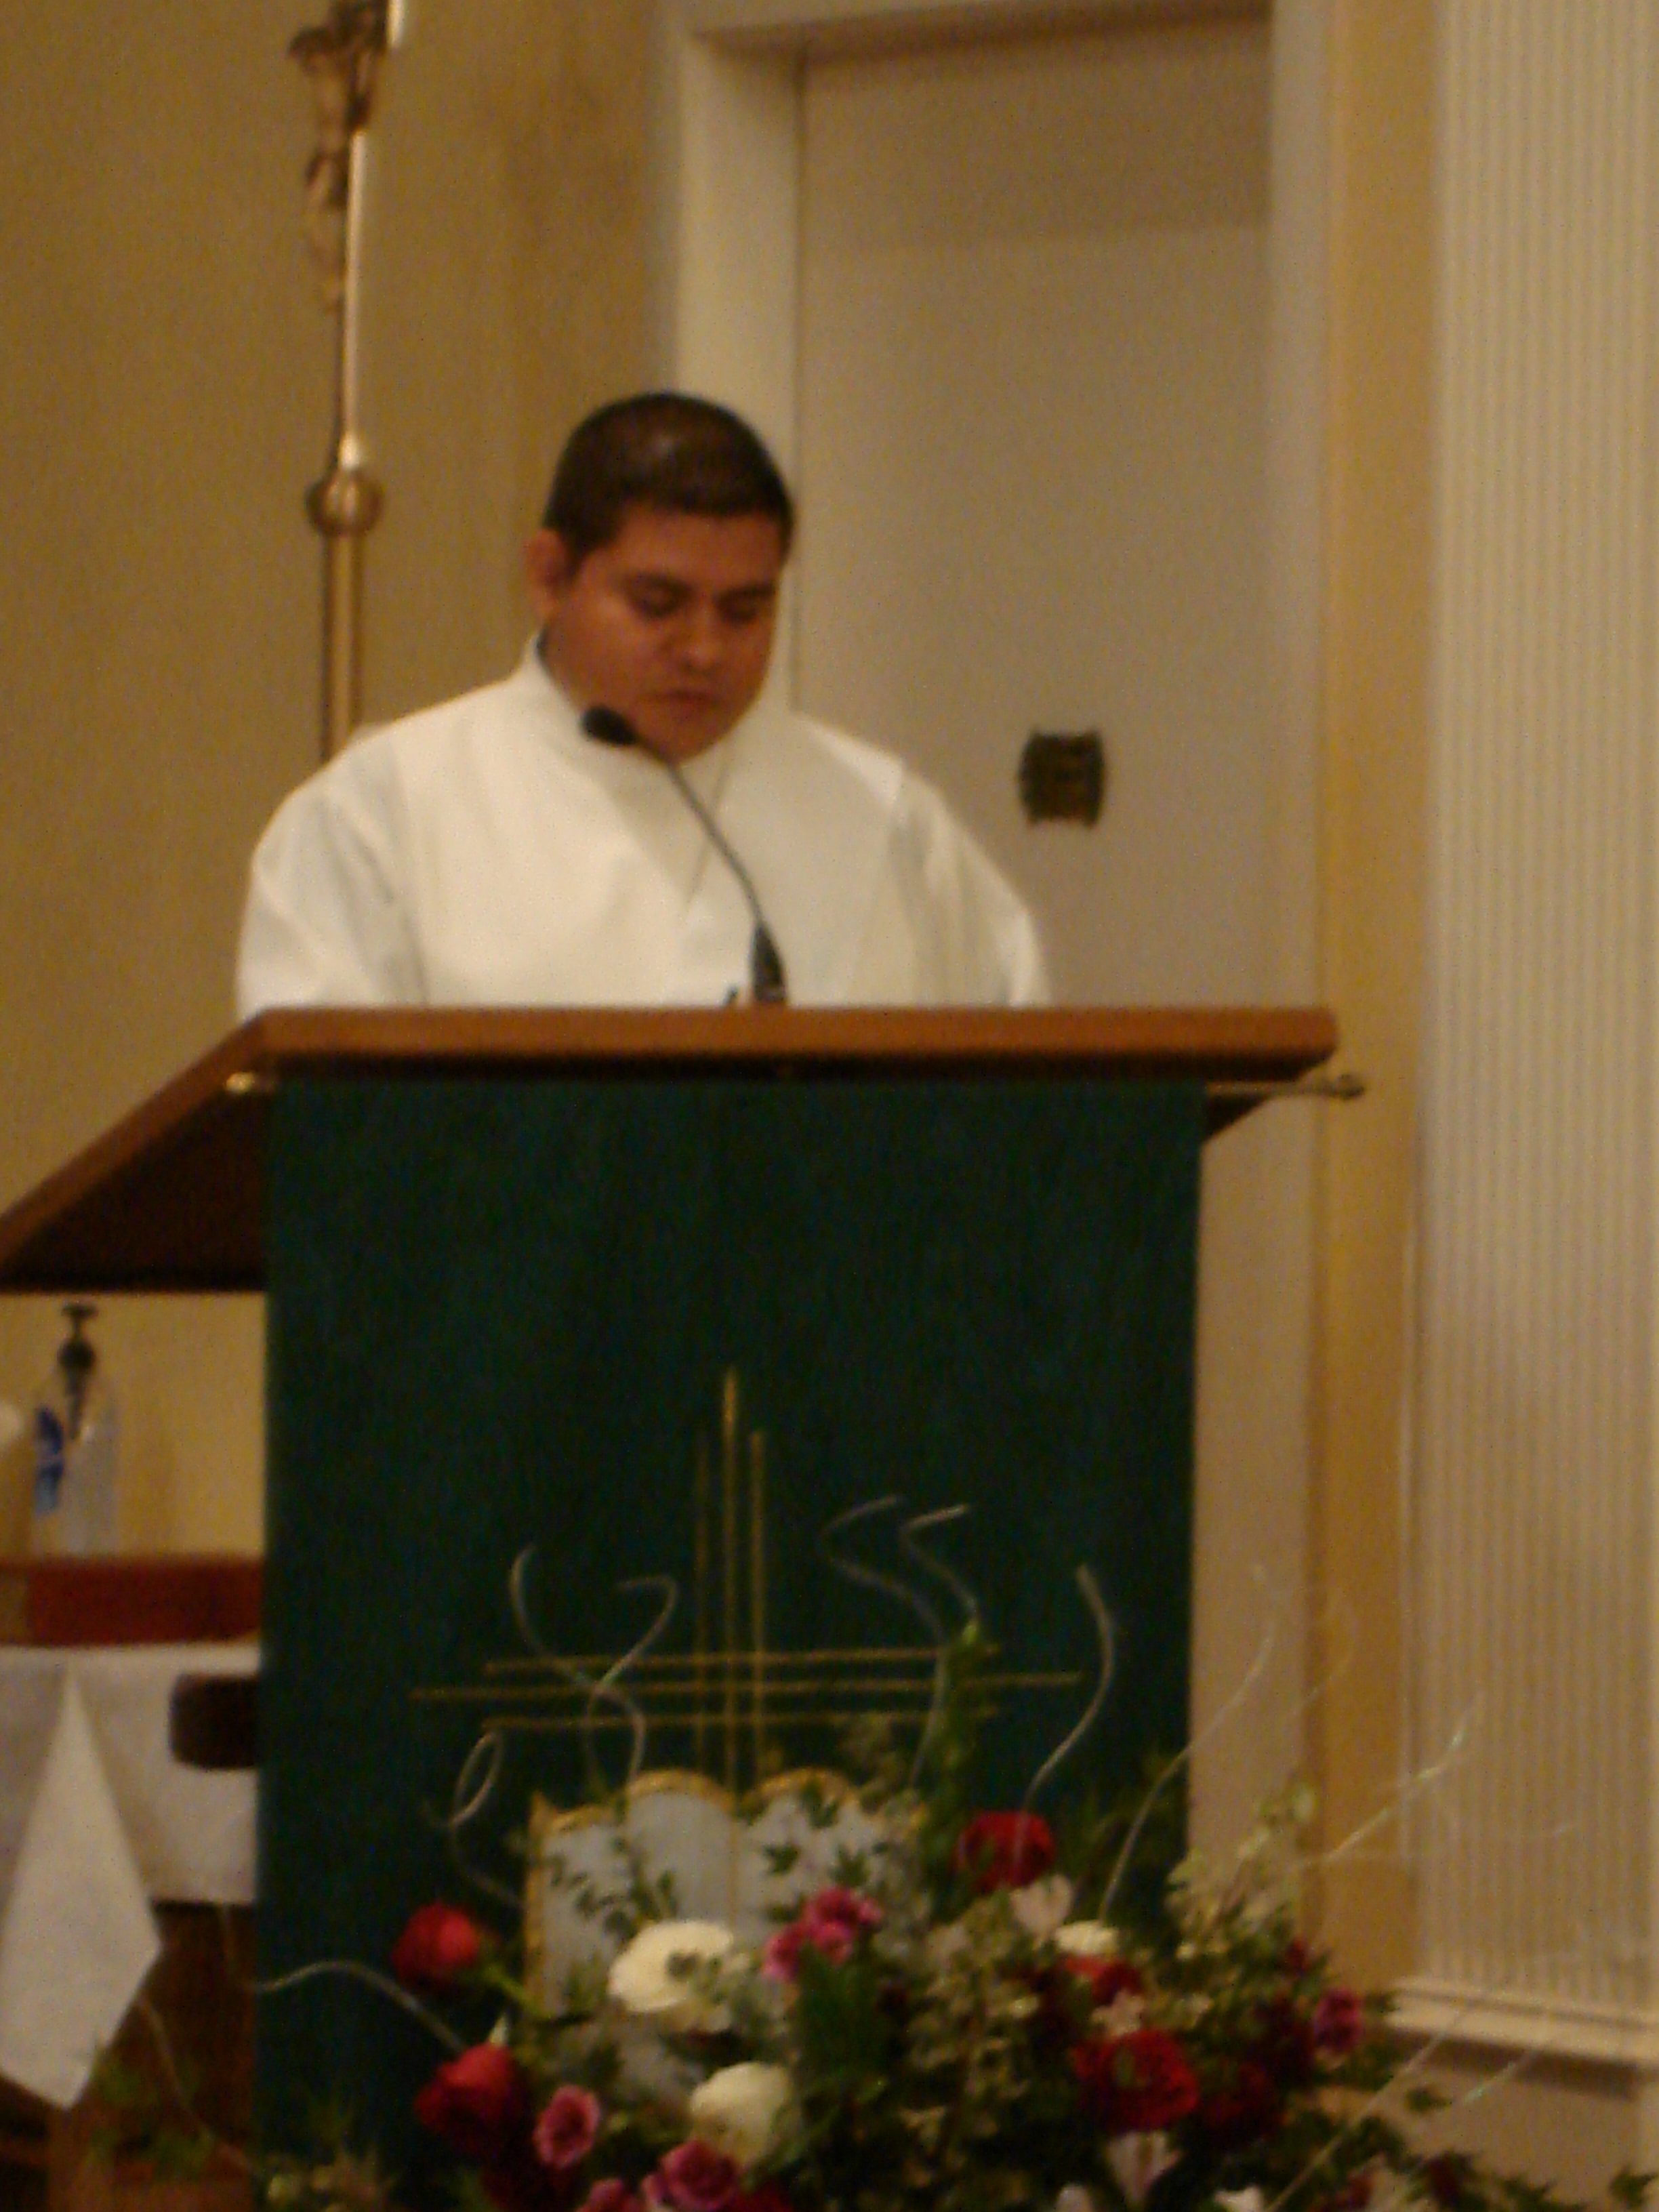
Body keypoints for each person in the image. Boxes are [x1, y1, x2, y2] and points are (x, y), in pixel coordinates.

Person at [236, 394, 1048, 1012]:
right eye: (658, 605)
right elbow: (326, 1131)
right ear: (550, 578)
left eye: (745, 611)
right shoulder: (382, 816)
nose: (704, 650)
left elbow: (1021, 1085)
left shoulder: (884, 819)